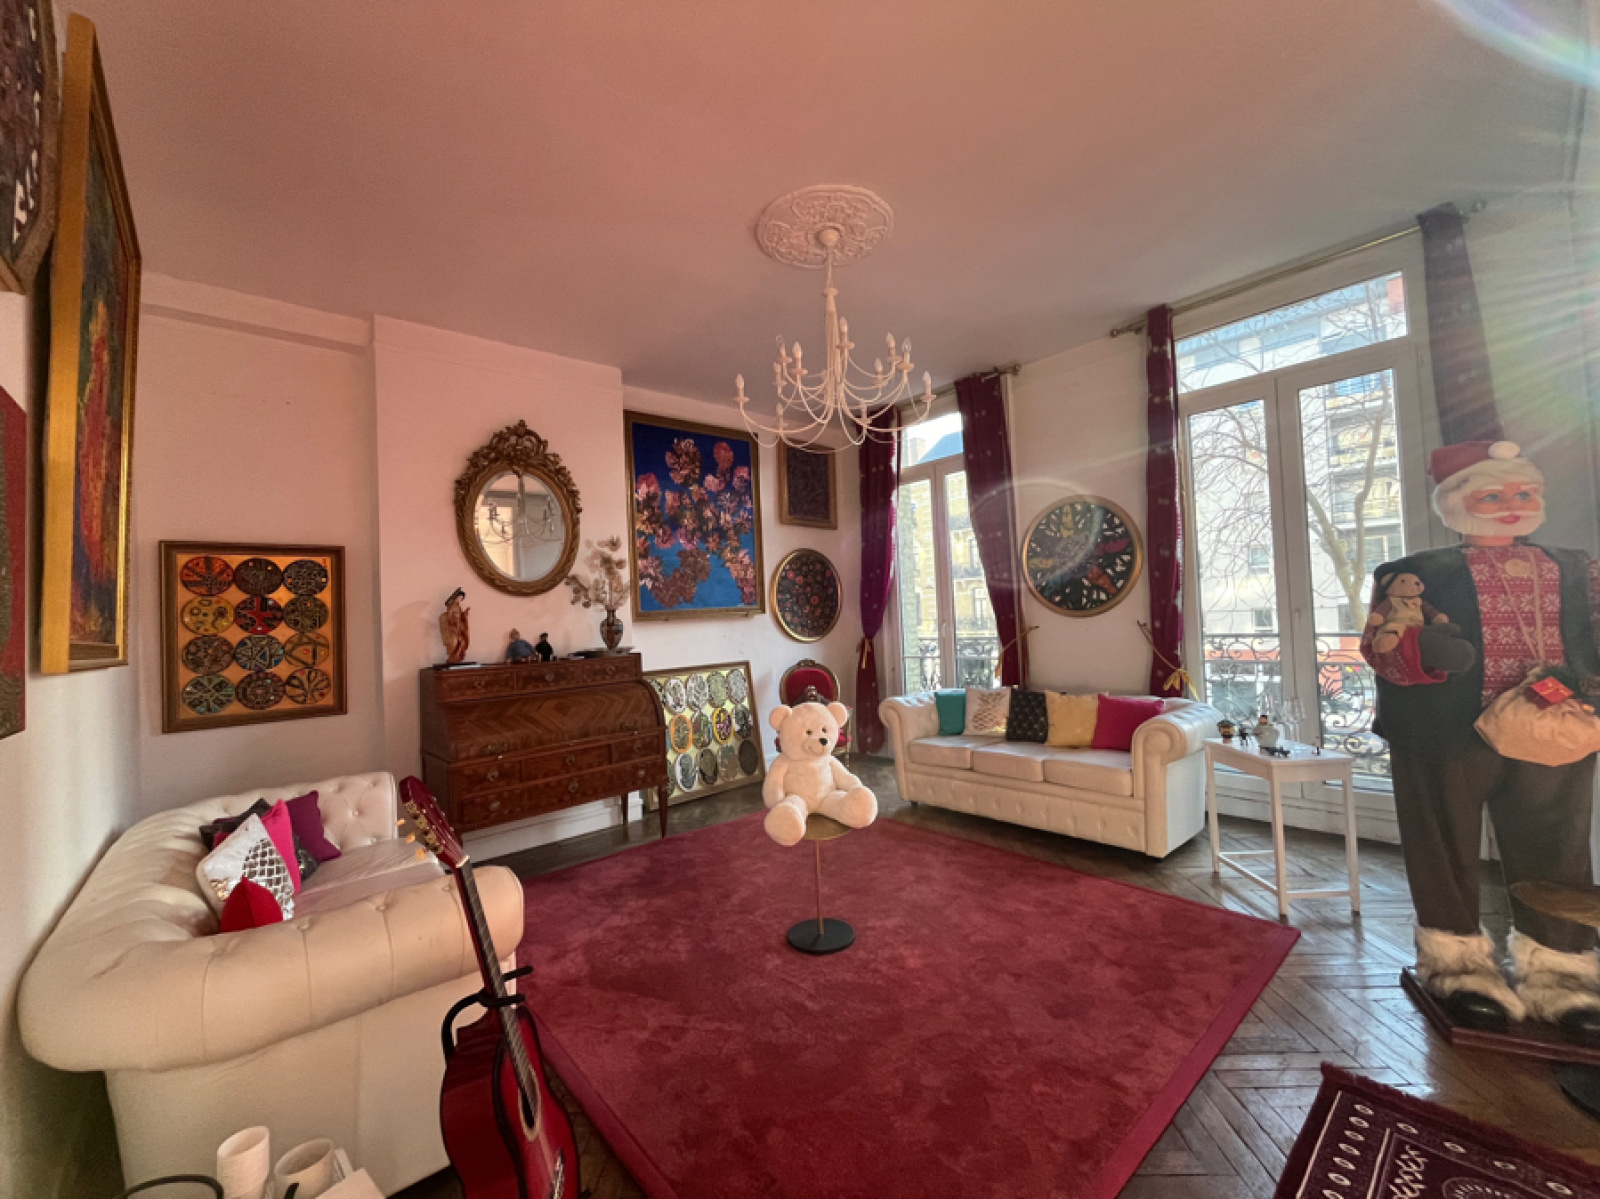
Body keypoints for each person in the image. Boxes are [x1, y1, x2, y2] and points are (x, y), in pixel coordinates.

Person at [1361, 440, 1600, 1044]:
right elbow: (1380, 647)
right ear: (1454, 501)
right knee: (1441, 845)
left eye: (1524, 492)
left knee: (1558, 845)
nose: (1511, 504)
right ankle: (1456, 963)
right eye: (1492, 495)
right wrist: (1425, 652)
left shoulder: (1577, 567)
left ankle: (1562, 969)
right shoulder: (1413, 572)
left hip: (1556, 727)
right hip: (1444, 731)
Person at [439, 588, 470, 664]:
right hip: (453, 627)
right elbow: (449, 617)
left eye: (461, 599)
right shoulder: (452, 606)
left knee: (462, 642)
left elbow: (461, 617)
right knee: (454, 642)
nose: (460, 600)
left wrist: (465, 615)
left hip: (459, 627)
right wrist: (452, 623)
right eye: (459, 598)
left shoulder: (459, 607)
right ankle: (453, 657)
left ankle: (458, 656)